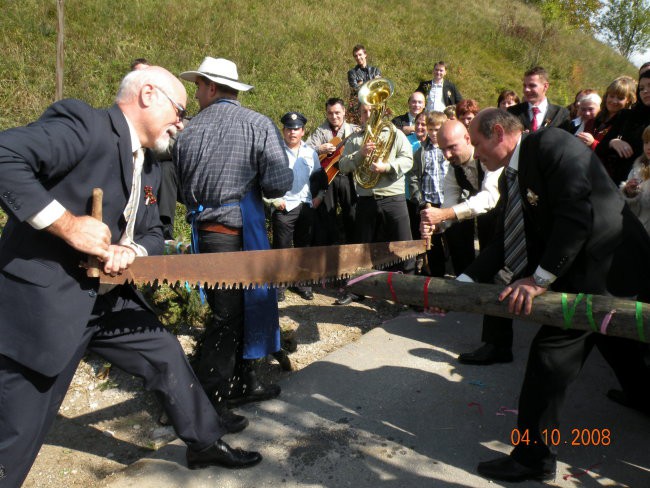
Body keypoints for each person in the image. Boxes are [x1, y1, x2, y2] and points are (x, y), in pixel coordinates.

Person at [0, 66, 262, 487]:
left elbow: (155, 233)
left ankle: (204, 442)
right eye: (178, 110)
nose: (182, 121)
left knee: (164, 354)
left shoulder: (152, 167)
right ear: (146, 95)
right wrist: (68, 224)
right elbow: (4, 155)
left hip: (107, 298)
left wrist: (133, 250)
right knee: (17, 429)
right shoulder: (85, 125)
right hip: (51, 304)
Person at [461, 108, 650, 482]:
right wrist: (462, 284)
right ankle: (643, 396)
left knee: (549, 360)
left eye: (477, 142)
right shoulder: (520, 169)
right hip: (595, 272)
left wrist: (539, 279)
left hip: (611, 272)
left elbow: (576, 215)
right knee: (619, 344)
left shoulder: (551, 145)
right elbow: (509, 239)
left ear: (498, 132)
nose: (475, 152)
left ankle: (533, 458)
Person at [174, 57, 293, 426]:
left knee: (235, 312)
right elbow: (278, 185)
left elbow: (181, 193)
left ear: (211, 86)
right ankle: (209, 402)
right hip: (237, 231)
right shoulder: (258, 124)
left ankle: (245, 381)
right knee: (230, 318)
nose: (195, 96)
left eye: (197, 87)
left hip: (208, 233)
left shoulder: (186, 132)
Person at [419, 120, 511, 365]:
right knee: (492, 276)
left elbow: (489, 198)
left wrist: (445, 214)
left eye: (452, 147)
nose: (448, 155)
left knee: (499, 277)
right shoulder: (453, 168)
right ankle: (496, 343)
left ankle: (497, 346)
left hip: (507, 217)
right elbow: (449, 204)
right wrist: (435, 223)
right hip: (488, 220)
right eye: (443, 150)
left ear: (468, 140)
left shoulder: (490, 157)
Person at [338, 103, 414, 262]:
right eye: (364, 112)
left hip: (393, 197)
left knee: (404, 244)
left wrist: (387, 167)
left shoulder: (395, 133)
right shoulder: (355, 138)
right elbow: (343, 166)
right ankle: (364, 281)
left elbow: (408, 159)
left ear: (379, 112)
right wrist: (360, 154)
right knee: (363, 248)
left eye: (371, 111)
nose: (368, 115)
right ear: (360, 115)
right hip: (366, 199)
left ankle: (408, 280)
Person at [269, 112, 326, 301]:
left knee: (304, 246)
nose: (292, 133)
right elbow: (265, 179)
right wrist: (274, 201)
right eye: (289, 129)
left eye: (296, 129)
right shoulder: (274, 152)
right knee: (282, 248)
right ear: (283, 130)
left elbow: (319, 177)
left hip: (306, 205)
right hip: (284, 206)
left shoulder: (310, 152)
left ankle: (302, 283)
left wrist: (319, 196)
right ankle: (280, 284)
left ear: (302, 131)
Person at [306, 97, 360, 246]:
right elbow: (305, 148)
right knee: (327, 213)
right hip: (328, 177)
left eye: (337, 112)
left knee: (351, 212)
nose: (334, 116)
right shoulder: (321, 130)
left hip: (348, 177)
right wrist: (319, 149)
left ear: (344, 112)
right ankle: (331, 246)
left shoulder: (354, 129)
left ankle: (353, 245)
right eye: (330, 113)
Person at [407, 111, 449, 277]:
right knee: (433, 245)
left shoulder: (448, 149)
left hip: (448, 202)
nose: (433, 133)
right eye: (430, 129)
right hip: (430, 203)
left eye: (437, 129)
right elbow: (413, 177)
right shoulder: (421, 152)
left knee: (452, 241)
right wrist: (420, 200)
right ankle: (435, 277)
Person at [596, 70, 650, 185]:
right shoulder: (626, 115)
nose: (645, 91)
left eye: (649, 86)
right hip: (613, 184)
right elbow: (600, 149)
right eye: (641, 88)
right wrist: (613, 142)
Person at [507, 66, 569, 131]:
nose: (526, 89)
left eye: (532, 85)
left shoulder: (560, 114)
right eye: (525, 86)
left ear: (545, 86)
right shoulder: (512, 112)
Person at [587, 76, 636, 153]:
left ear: (628, 100)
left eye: (620, 98)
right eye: (611, 96)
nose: (614, 101)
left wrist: (593, 143)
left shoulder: (627, 125)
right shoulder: (597, 116)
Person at [621, 125, 650, 234]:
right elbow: (629, 205)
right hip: (636, 228)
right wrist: (629, 192)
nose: (648, 147)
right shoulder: (638, 167)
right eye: (646, 142)